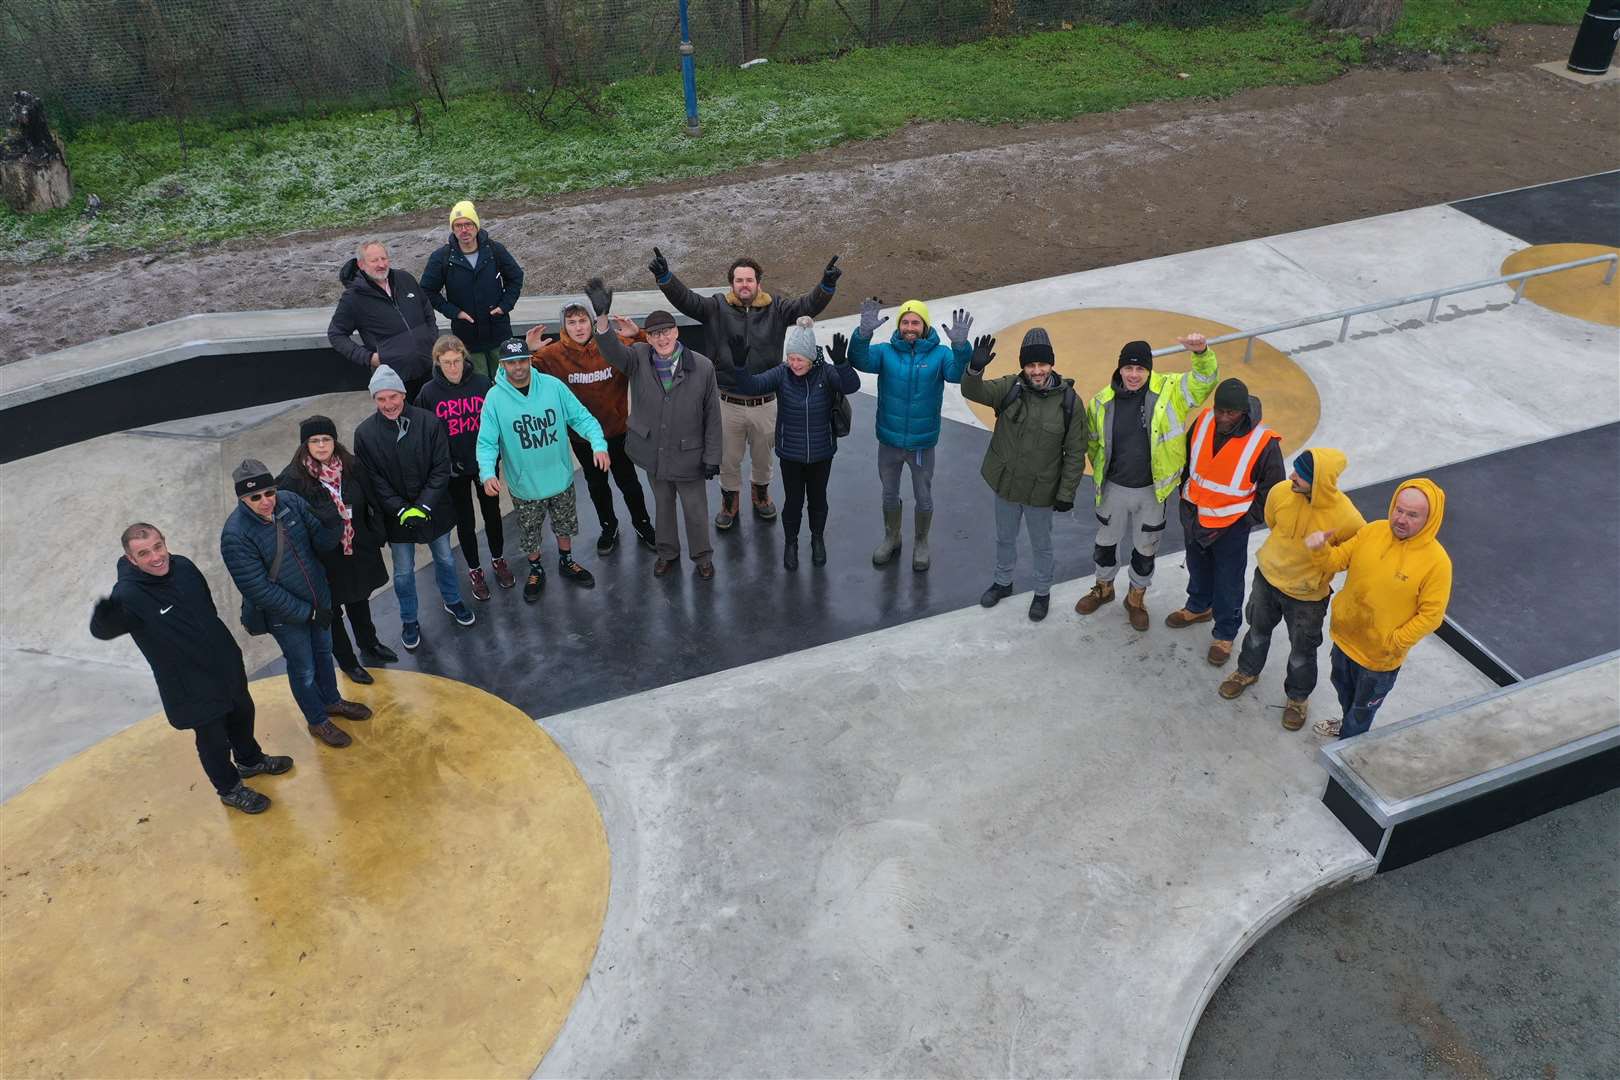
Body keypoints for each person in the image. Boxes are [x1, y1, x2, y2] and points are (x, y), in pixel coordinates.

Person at [91, 523, 293, 814]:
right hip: (190, 683)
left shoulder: (184, 567)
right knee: (213, 740)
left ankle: (250, 761)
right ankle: (230, 789)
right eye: (144, 553)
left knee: (242, 714)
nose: (156, 557)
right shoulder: (129, 595)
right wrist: (104, 616)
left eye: (158, 546)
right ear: (131, 559)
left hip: (224, 664)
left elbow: (207, 610)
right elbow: (105, 630)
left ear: (165, 542)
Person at [648, 247, 841, 528]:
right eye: (739, 280)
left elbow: (806, 306)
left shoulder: (776, 307)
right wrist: (666, 277)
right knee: (728, 458)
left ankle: (760, 495)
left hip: (766, 402)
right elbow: (687, 301)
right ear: (732, 284)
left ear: (758, 283)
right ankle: (730, 502)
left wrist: (827, 285)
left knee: (764, 458)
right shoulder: (715, 307)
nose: (744, 285)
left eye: (749, 280)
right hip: (727, 402)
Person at [220, 460, 372, 750]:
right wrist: (308, 613)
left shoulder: (289, 502)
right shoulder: (235, 535)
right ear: (242, 498)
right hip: (285, 617)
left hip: (318, 600)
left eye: (269, 492)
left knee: (324, 655)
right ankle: (317, 720)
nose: (266, 501)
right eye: (255, 497)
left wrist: (334, 522)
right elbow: (258, 589)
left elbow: (319, 541)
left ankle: (331, 702)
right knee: (304, 669)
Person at [1074, 334, 1218, 629]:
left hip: (1153, 491)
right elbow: (1093, 444)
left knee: (1146, 547)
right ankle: (1103, 588)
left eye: (1140, 369)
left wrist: (1202, 353)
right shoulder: (1101, 402)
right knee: (1105, 543)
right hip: (1114, 487)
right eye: (1129, 368)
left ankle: (1136, 597)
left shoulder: (1171, 390)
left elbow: (1204, 381)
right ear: (1119, 369)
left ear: (1149, 371)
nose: (1134, 375)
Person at [1218, 449, 1366, 731]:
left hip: (1307, 598)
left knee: (1302, 651)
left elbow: (1350, 556)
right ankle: (1246, 672)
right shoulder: (1281, 492)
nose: (1292, 476)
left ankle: (1297, 699)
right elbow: (1271, 521)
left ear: (1320, 482)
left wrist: (1323, 558)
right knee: (1257, 633)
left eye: (1302, 475)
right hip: (1267, 579)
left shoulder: (1347, 518)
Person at [588, 279, 723, 579]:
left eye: (666, 332)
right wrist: (601, 318)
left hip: (690, 455)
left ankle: (702, 556)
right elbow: (611, 351)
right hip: (653, 453)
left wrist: (713, 456)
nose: (661, 339)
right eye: (655, 334)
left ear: (676, 333)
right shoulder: (636, 357)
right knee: (662, 506)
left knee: (695, 510)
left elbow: (713, 415)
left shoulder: (702, 367)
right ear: (647, 338)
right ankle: (666, 552)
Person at [1305, 479, 1452, 739]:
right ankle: (1347, 725)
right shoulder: (1372, 531)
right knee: (1343, 692)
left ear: (1430, 519)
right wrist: (1319, 548)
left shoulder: (1437, 563)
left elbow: (1431, 616)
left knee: (1362, 712)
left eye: (1412, 515)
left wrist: (1393, 642)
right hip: (1345, 639)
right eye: (1399, 509)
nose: (1401, 519)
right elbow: (1337, 561)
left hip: (1378, 661)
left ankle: (1348, 754)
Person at [959, 328, 1087, 621]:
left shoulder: (1069, 403)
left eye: (1042, 364)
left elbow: (1076, 452)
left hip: (1041, 491)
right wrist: (974, 369)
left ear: (1051, 364)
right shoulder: (1009, 387)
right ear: (1023, 366)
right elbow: (972, 391)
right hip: (1006, 484)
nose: (1037, 371)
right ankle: (1003, 582)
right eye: (1031, 365)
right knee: (1004, 538)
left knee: (1042, 544)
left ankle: (1042, 592)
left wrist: (1066, 493)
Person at [714, 316, 861, 570]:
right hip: (791, 454)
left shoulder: (826, 373)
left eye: (799, 360)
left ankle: (817, 539)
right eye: (791, 358)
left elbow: (852, 385)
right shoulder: (782, 374)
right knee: (793, 502)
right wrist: (740, 366)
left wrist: (842, 363)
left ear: (811, 358)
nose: (794, 364)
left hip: (821, 452)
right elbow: (752, 386)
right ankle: (790, 543)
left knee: (818, 500)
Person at [353, 364, 476, 651]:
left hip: (434, 512)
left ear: (403, 394)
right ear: (374, 400)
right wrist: (401, 510)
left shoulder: (429, 422)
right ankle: (409, 619)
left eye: (392, 397)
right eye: (381, 399)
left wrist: (422, 506)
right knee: (403, 572)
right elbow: (373, 479)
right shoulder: (365, 434)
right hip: (398, 520)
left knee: (445, 559)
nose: (388, 405)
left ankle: (452, 600)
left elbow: (440, 468)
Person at [847, 297, 974, 571]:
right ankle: (891, 537)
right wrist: (863, 333)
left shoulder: (941, 355)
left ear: (925, 325)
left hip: (921, 444)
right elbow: (858, 358)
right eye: (905, 322)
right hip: (889, 442)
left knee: (924, 497)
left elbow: (957, 375)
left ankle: (921, 541)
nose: (909, 327)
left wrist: (961, 348)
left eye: (915, 322)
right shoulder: (885, 352)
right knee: (889, 494)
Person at [1164, 377, 1285, 666]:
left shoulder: (1264, 443)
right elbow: (1188, 459)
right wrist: (1185, 497)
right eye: (1220, 410)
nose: (1223, 417)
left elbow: (1274, 491)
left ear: (1243, 412)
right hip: (1195, 515)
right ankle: (1198, 606)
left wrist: (1245, 521)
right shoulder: (1205, 420)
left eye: (1230, 413)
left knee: (1229, 581)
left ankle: (1225, 633)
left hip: (1231, 526)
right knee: (1197, 566)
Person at [476, 338, 607, 601]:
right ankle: (536, 568)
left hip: (559, 477)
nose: (518, 367)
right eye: (511, 363)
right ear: (502, 365)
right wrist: (487, 473)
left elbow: (581, 417)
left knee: (564, 524)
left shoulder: (552, 386)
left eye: (522, 361)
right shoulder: (494, 398)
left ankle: (566, 561)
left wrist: (598, 443)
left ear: (529, 360)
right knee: (530, 532)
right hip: (526, 486)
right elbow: (487, 443)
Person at [275, 416, 399, 684]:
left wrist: (376, 533)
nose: (321, 446)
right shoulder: (292, 480)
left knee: (359, 598)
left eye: (326, 439)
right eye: (315, 440)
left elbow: (372, 499)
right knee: (333, 612)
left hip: (356, 550)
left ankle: (369, 644)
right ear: (305, 445)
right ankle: (347, 662)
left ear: (334, 440)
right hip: (324, 559)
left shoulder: (351, 466)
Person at [527, 303, 657, 556]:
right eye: (572, 322)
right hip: (583, 438)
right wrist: (528, 351)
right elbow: (517, 375)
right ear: (564, 326)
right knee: (597, 485)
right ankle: (608, 527)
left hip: (617, 430)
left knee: (628, 481)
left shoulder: (613, 344)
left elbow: (654, 351)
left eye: (583, 321)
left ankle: (643, 524)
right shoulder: (552, 355)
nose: (578, 327)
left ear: (592, 322)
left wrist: (637, 334)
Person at [414, 335, 513, 601]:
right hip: (453, 469)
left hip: (484, 464)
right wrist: (441, 462)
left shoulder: (482, 383)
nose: (453, 367)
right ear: (438, 362)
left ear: (464, 358)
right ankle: (474, 569)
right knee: (465, 521)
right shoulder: (429, 392)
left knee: (492, 512)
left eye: (457, 361)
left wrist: (496, 454)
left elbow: (497, 418)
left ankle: (498, 559)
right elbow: (423, 432)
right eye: (447, 363)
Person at [419, 201, 525, 381]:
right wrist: (454, 312)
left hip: (498, 333)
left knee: (507, 382)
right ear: (452, 229)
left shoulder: (494, 250)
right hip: (466, 338)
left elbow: (516, 277)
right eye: (458, 226)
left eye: (468, 224)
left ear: (476, 226)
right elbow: (427, 291)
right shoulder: (442, 257)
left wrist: (505, 305)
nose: (464, 230)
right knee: (478, 386)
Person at [327, 240, 439, 401]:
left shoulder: (405, 279)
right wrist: (369, 358)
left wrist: (431, 338)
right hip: (394, 379)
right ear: (361, 264)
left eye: (383, 258)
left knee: (432, 420)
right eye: (374, 261)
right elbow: (336, 334)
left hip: (428, 369)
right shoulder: (353, 298)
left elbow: (426, 308)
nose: (381, 264)